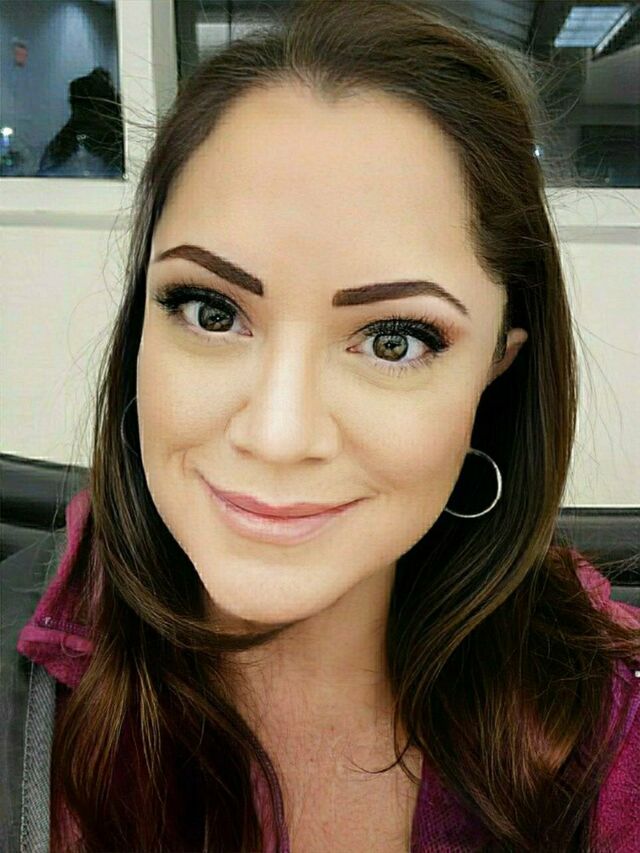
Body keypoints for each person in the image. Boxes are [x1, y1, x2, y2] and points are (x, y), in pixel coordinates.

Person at [1, 0, 638, 850]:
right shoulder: (21, 698)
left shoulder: (607, 720)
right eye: (211, 311)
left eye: (393, 340)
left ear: (498, 368)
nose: (278, 433)